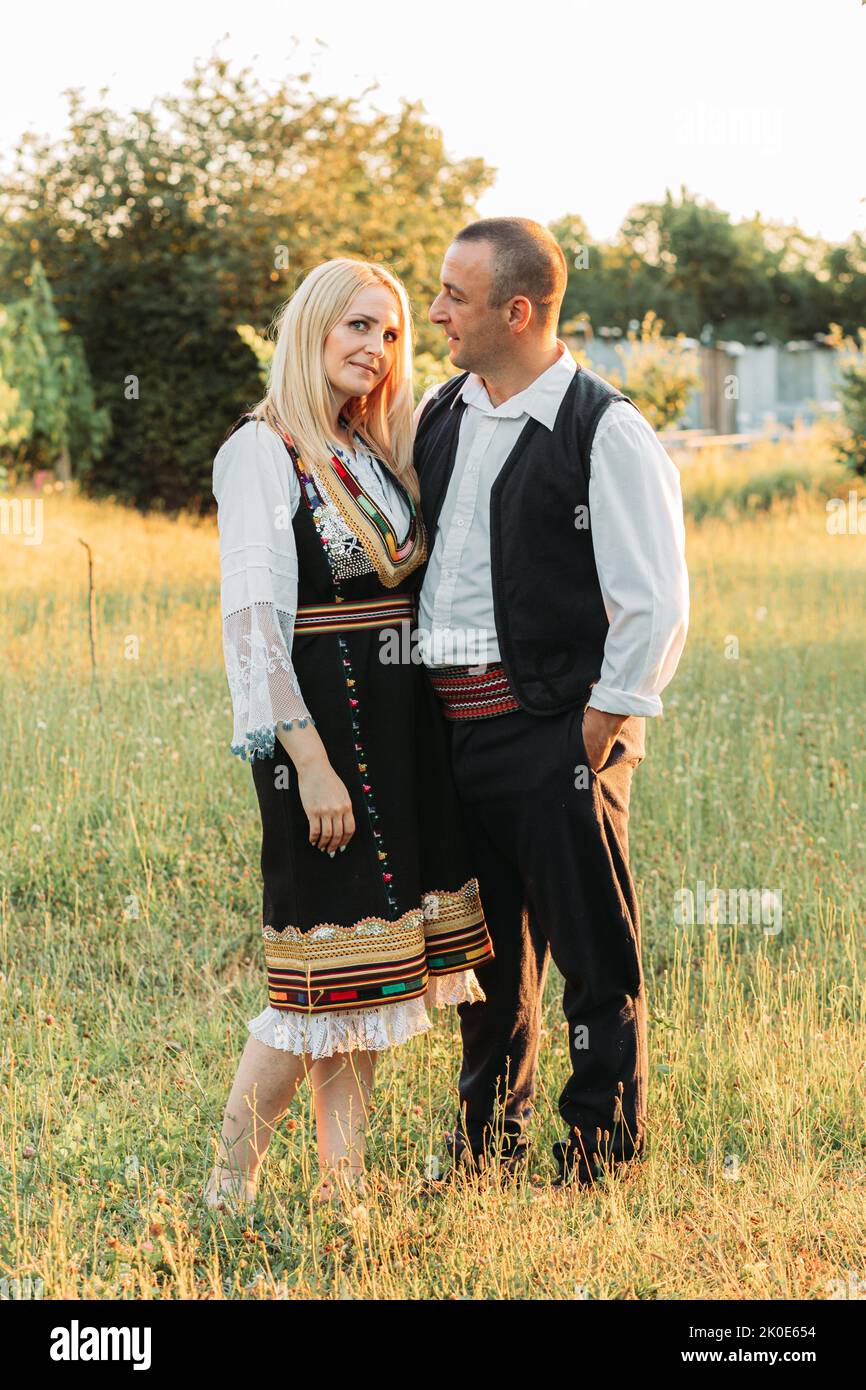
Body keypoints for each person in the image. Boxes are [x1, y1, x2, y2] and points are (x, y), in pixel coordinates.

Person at [205, 257, 493, 1211]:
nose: (377, 349)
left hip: (398, 736)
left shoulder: (364, 448)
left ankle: (343, 1191)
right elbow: (253, 624)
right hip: (324, 746)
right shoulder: (262, 450)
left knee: (366, 982)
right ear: (314, 327)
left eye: (392, 333)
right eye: (358, 327)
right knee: (312, 983)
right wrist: (311, 765)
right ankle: (226, 1189)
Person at [413, 217, 689, 1187]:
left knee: (591, 954)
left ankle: (599, 1153)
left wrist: (594, 727)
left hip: (553, 733)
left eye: (453, 294)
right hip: (453, 733)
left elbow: (653, 598)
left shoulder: (600, 426)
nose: (435, 310)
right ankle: (485, 1143)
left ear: (515, 309)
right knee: (483, 959)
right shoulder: (439, 410)